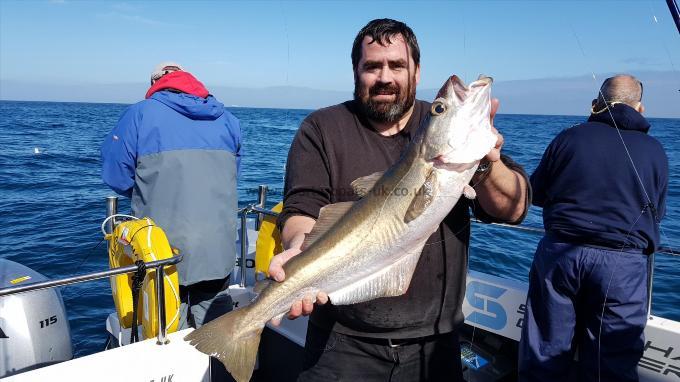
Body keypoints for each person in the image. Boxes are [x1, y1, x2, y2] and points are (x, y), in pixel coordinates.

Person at [268, 19, 530, 381]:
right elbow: (302, 208)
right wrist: (301, 246)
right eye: (372, 66)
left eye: (397, 65)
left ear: (416, 72)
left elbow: (513, 209)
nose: (385, 77)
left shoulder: (458, 145)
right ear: (356, 72)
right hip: (341, 343)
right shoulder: (322, 128)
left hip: (436, 344)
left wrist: (486, 164)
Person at [518, 74, 668, 382]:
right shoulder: (655, 150)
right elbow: (658, 213)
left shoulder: (568, 138)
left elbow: (536, 193)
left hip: (560, 256)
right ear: (640, 108)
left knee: (544, 353)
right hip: (622, 265)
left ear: (595, 104)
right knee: (611, 364)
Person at [101, 62, 242, 330]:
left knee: (165, 337)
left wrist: (151, 190)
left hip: (162, 251)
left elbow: (115, 174)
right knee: (219, 331)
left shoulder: (139, 114)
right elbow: (233, 174)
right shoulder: (228, 120)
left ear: (156, 82)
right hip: (217, 250)